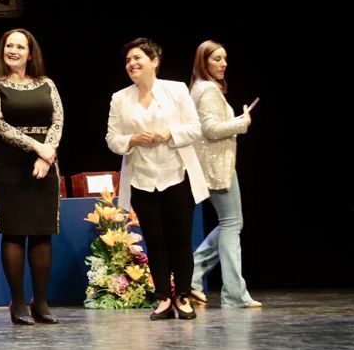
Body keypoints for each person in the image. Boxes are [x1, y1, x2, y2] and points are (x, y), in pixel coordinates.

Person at [105, 38, 208, 321]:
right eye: (128, 61)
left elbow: (195, 129)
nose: (132, 64)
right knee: (155, 239)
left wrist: (168, 134)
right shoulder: (119, 98)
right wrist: (133, 139)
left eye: (138, 58)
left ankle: (183, 296)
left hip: (176, 175)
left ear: (154, 61)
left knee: (180, 239)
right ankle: (162, 297)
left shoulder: (175, 90)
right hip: (141, 178)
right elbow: (112, 139)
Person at [0, 29, 63, 325]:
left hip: (44, 160)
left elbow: (58, 120)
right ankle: (17, 302)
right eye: (9, 46)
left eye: (20, 46)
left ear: (30, 53)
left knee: (41, 231)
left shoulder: (46, 84)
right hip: (6, 162)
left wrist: (45, 154)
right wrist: (36, 147)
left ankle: (39, 301)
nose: (13, 50)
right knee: (13, 231)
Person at [188, 40, 261, 308]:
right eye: (217, 59)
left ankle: (193, 276)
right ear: (203, 62)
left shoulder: (203, 88)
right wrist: (241, 123)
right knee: (232, 224)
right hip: (217, 167)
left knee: (231, 223)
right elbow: (211, 129)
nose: (223, 64)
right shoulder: (207, 91)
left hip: (218, 165)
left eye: (225, 58)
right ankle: (233, 293)